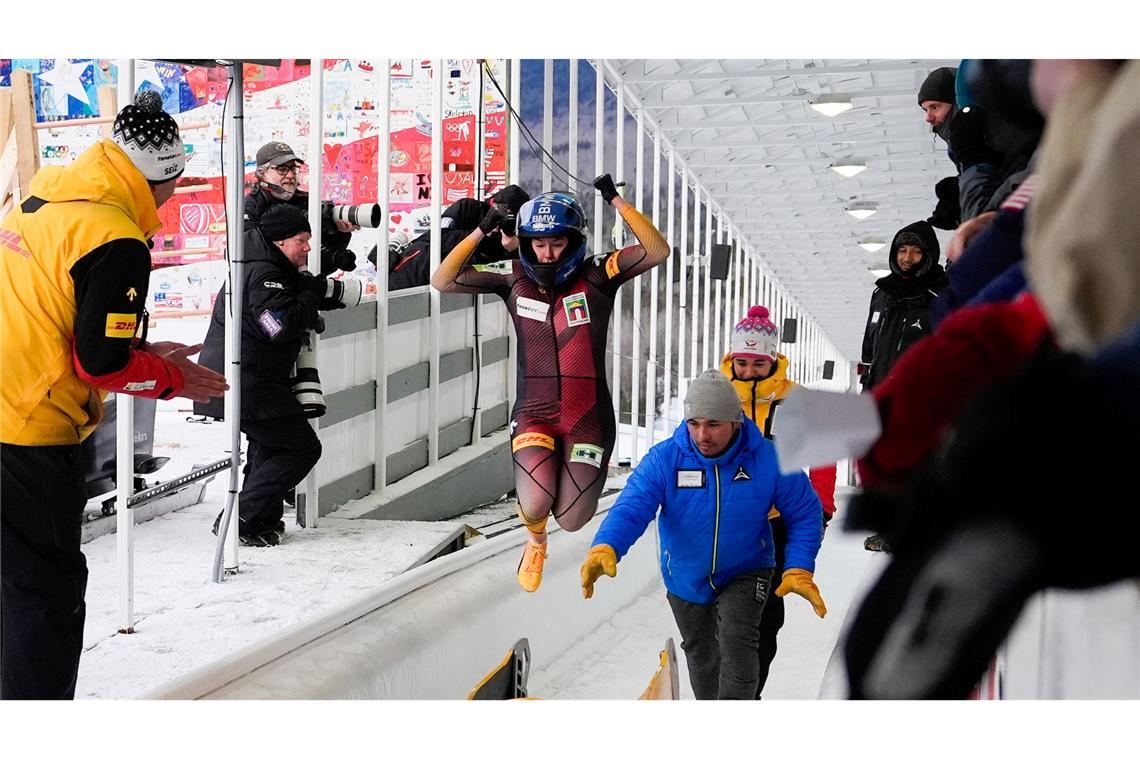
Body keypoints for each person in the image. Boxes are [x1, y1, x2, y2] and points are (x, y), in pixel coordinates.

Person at [0, 91, 229, 699]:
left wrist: (151, 353)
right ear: (164, 177)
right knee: (42, 599)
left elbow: (55, 307)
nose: (176, 197)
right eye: (176, 183)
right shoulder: (116, 237)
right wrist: (173, 378)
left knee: (11, 586)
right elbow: (99, 362)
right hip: (27, 432)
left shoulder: (48, 195)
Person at [431, 174, 669, 592]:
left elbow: (656, 250)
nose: (548, 253)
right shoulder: (512, 276)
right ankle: (535, 541)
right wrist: (483, 228)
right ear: (525, 243)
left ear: (575, 241)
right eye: (539, 244)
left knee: (573, 518)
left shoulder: (599, 274)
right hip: (535, 412)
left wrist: (616, 201)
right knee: (538, 502)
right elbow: (444, 279)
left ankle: (553, 524)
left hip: (588, 415)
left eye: (557, 243)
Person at [579, 370, 826, 700]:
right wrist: (606, 546)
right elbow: (632, 506)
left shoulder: (769, 458)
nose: (702, 435)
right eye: (694, 423)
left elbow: (805, 512)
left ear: (735, 422)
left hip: (747, 568)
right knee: (703, 657)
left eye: (713, 424)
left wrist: (798, 566)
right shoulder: (666, 459)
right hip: (685, 576)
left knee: (738, 642)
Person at [195, 205, 353, 546]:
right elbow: (277, 326)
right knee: (301, 448)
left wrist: (311, 295)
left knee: (269, 444)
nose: (308, 248)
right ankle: (238, 518)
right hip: (244, 379)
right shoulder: (265, 273)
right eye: (302, 241)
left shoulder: (260, 264)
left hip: (244, 377)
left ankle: (256, 523)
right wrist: (310, 296)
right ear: (280, 241)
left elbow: (280, 305)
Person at [719, 305, 837, 696]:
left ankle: (749, 692)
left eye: (757, 362)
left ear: (772, 359)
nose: (748, 370)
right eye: (742, 361)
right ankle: (725, 687)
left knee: (766, 614)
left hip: (777, 521)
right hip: (725, 517)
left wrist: (820, 506)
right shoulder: (715, 394)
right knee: (723, 613)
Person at [375, 184, 530, 290]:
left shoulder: (515, 236)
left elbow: (514, 276)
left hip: (453, 288)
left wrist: (513, 249)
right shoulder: (468, 208)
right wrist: (482, 231)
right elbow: (439, 239)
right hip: (416, 268)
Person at [245, 141, 359, 276]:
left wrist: (339, 235)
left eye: (293, 168)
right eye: (282, 169)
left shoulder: (307, 201)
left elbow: (319, 264)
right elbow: (247, 251)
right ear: (261, 173)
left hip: (305, 287)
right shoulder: (250, 206)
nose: (291, 175)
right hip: (269, 283)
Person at [860, 220, 947, 392]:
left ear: (928, 255)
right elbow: (869, 348)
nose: (907, 258)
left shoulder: (942, 294)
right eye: (903, 250)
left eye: (916, 252)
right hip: (878, 393)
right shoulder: (882, 293)